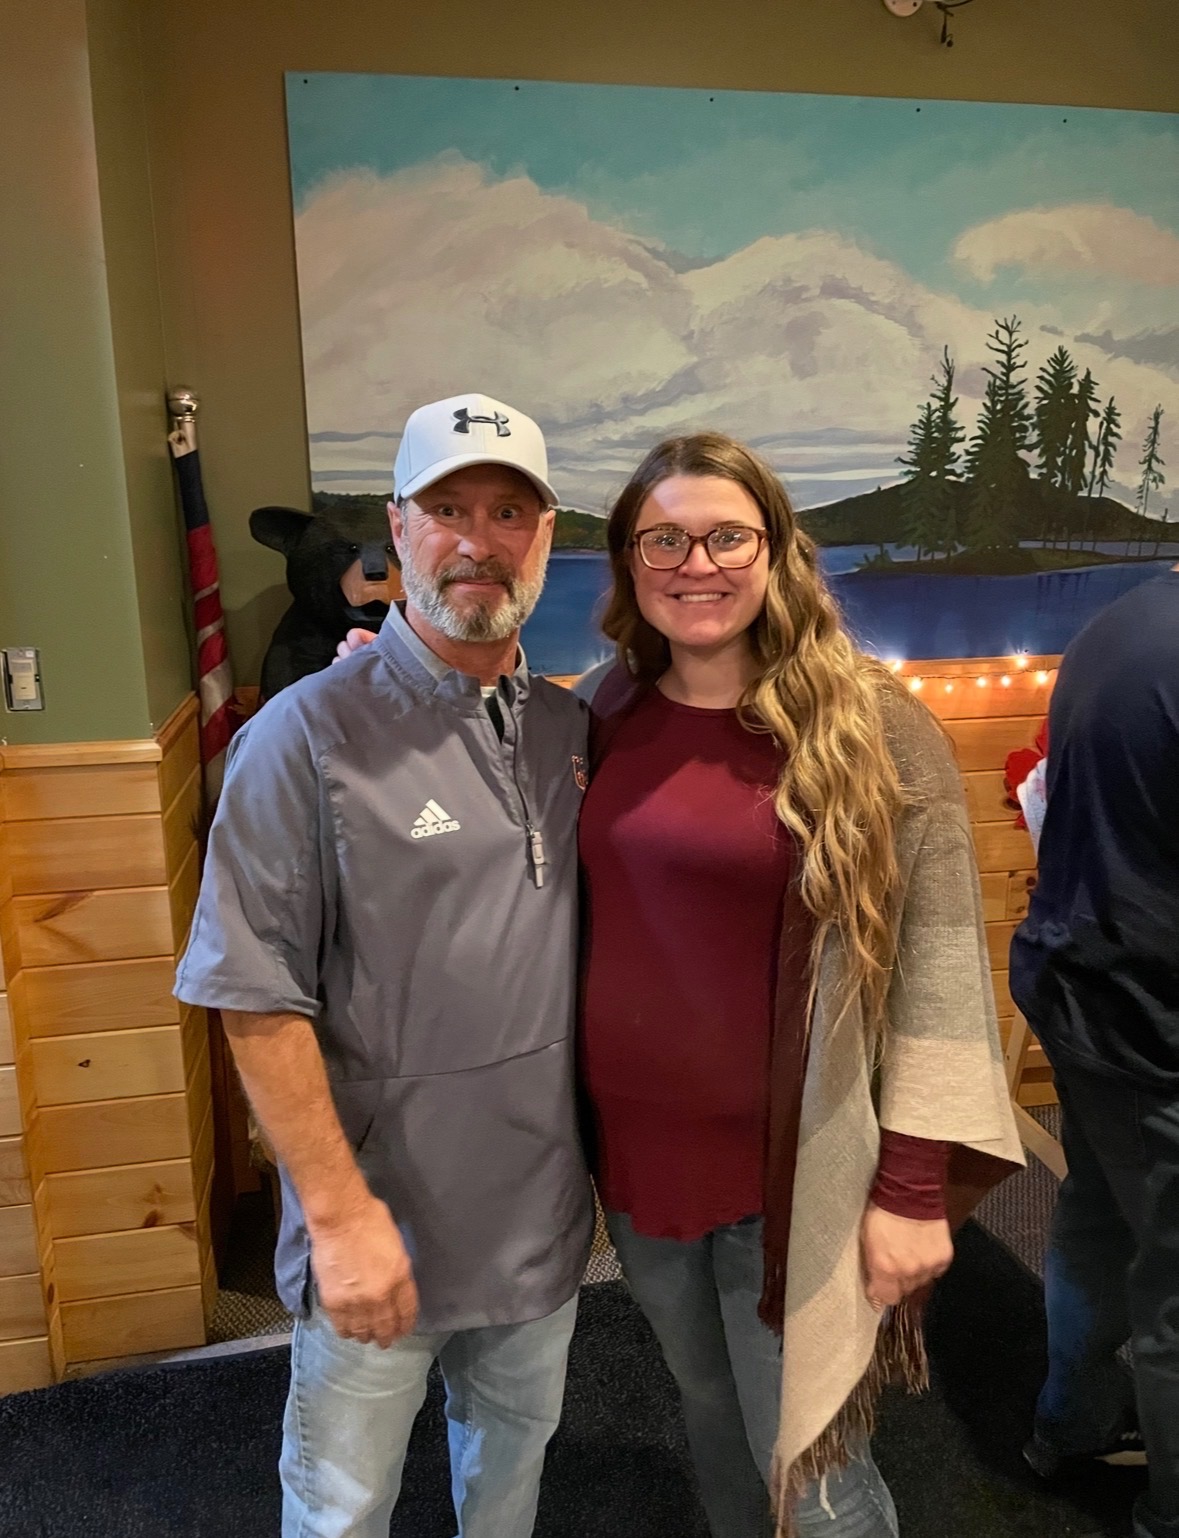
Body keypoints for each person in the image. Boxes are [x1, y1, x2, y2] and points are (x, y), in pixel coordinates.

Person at [574, 432, 1022, 1537]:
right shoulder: (602, 707)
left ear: (776, 551)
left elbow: (938, 971)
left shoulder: (872, 728)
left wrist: (912, 1187)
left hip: (800, 1165)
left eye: (728, 536)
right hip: (640, 1165)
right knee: (713, 1416)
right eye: (664, 540)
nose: (696, 564)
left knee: (813, 1468)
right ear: (629, 560)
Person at [176, 393, 594, 1538]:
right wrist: (338, 1213)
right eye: (448, 508)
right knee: (342, 1509)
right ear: (398, 529)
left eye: (509, 511)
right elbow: (252, 995)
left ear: (545, 538)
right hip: (377, 1225)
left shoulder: (570, 732)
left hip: (541, 1221)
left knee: (508, 1485)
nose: (478, 539)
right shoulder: (300, 736)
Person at [1010, 565, 1179, 1538]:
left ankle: (1068, 1426)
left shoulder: (1124, 623)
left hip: (1081, 990)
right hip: (1152, 1023)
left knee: (1099, 1216)